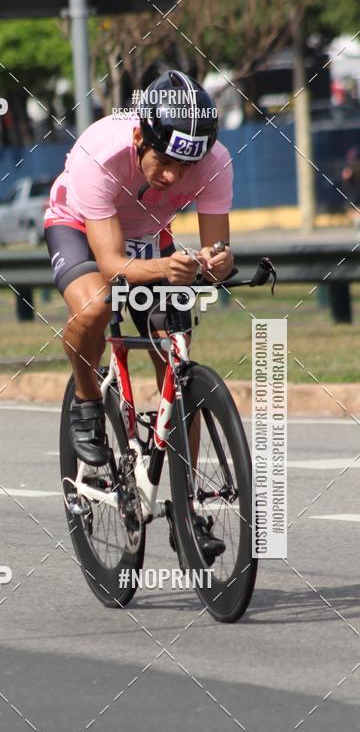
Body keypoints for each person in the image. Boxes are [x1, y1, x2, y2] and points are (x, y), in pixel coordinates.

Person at [44, 70, 234, 469]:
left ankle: (190, 511)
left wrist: (215, 261)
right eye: (163, 161)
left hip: (148, 232)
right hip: (79, 223)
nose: (171, 177)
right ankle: (87, 399)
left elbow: (218, 254)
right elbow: (112, 266)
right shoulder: (101, 153)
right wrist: (166, 265)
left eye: (186, 167)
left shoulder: (216, 162)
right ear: (138, 139)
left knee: (177, 362)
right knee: (96, 306)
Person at [341, 148, 360, 231]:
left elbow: (346, 176)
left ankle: (357, 220)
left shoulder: (350, 168)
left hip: (354, 191)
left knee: (349, 208)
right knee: (354, 207)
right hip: (354, 191)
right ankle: (357, 219)